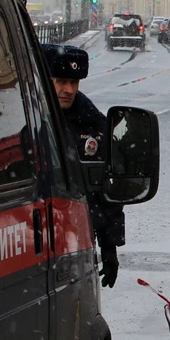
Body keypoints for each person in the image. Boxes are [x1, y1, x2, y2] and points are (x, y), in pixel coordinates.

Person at [44, 43, 125, 286]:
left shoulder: (93, 125)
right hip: (29, 240)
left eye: (74, 83)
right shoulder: (27, 120)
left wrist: (109, 246)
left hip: (74, 239)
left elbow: (104, 191)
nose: (68, 90)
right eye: (60, 81)